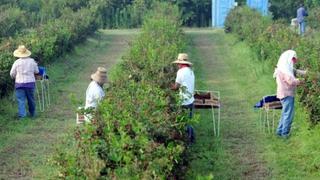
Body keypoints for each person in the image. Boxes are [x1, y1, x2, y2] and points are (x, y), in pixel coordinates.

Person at [273, 50, 305, 138]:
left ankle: (279, 131)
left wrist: (307, 73)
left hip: (283, 94)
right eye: (293, 59)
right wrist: (302, 81)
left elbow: (295, 71)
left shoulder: (283, 67)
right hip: (287, 94)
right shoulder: (285, 70)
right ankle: (285, 134)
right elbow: (291, 81)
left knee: (285, 113)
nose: (293, 61)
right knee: (288, 114)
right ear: (288, 58)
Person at [171, 53, 195, 143]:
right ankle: (192, 139)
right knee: (189, 121)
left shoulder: (180, 72)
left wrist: (169, 87)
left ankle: (189, 141)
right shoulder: (191, 71)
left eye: (178, 63)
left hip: (184, 101)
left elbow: (176, 87)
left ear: (180, 63)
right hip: (191, 100)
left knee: (184, 123)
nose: (177, 65)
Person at [10, 45, 39, 119]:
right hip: (30, 84)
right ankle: (33, 114)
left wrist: (14, 77)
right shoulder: (32, 61)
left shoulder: (16, 62)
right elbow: (37, 71)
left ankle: (22, 116)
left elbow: (12, 73)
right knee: (31, 99)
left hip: (19, 84)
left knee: (21, 100)